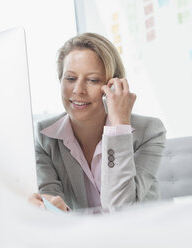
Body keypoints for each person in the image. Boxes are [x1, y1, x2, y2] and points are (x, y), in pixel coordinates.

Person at [28, 33, 166, 211]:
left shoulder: (150, 132)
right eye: (70, 78)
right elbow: (53, 208)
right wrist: (49, 208)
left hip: (140, 236)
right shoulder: (44, 138)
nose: (78, 90)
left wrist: (119, 128)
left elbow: (122, 210)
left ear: (113, 86)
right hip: (82, 237)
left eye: (92, 80)